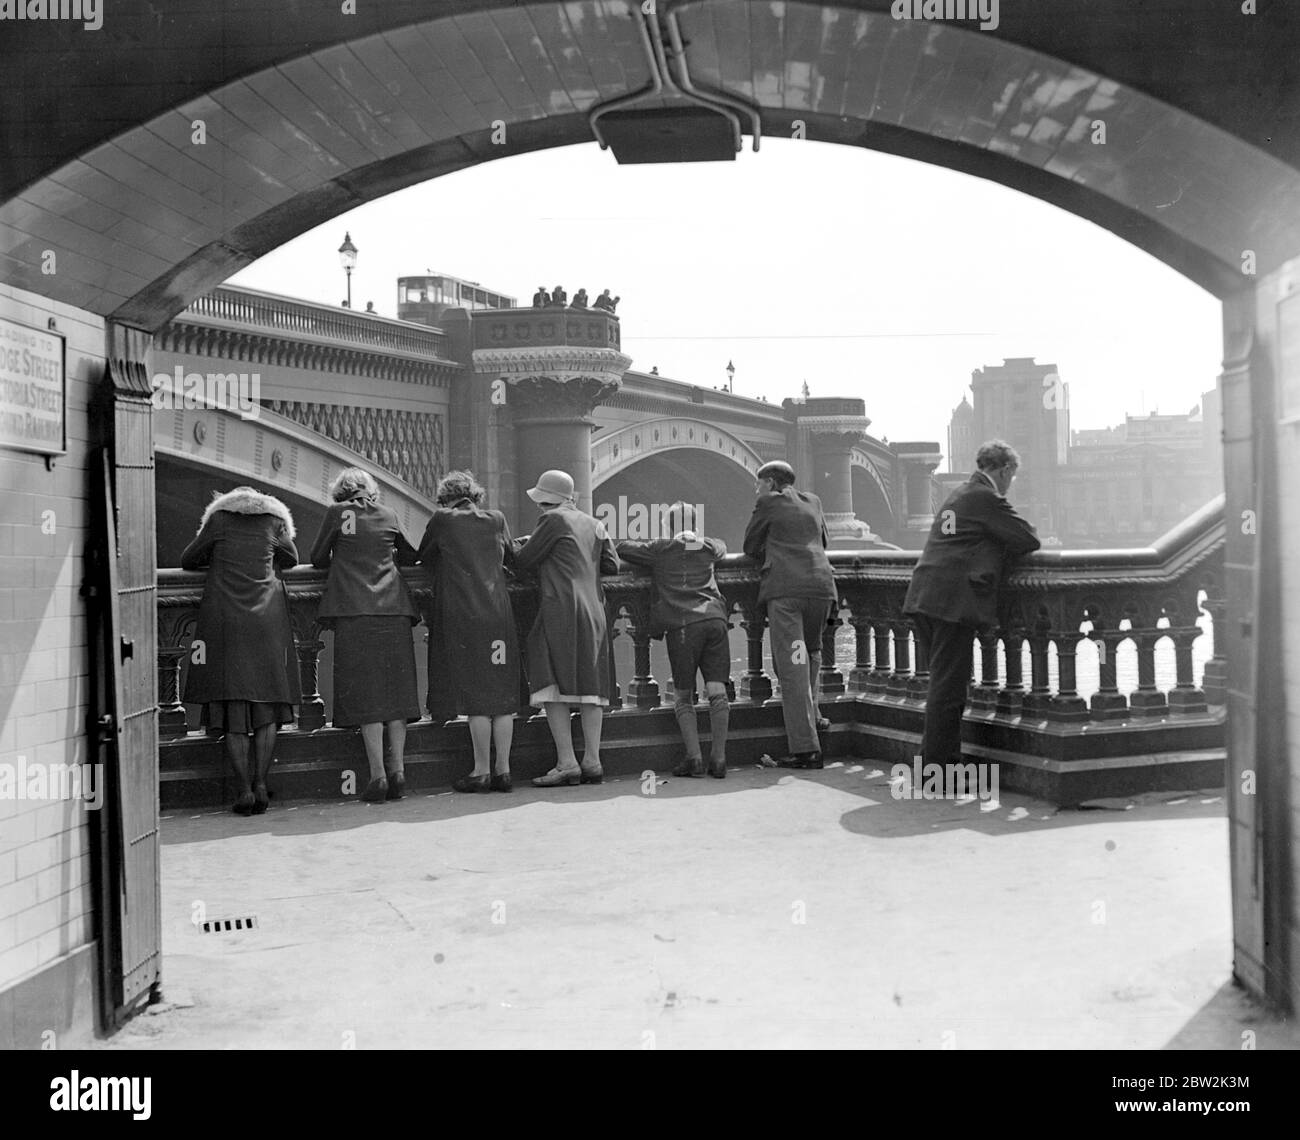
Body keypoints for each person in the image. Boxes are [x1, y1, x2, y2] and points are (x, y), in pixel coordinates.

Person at [903, 440, 1040, 771]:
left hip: (927, 596)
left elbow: (959, 537)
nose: (1010, 485)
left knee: (941, 685)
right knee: (949, 690)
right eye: (1012, 476)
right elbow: (1027, 538)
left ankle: (931, 764)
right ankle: (938, 770)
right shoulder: (985, 497)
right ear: (1005, 470)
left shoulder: (958, 493)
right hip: (951, 602)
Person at [181, 485, 301, 815]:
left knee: (234, 706)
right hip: (265, 617)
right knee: (265, 705)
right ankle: (261, 783)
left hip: (225, 618)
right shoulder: (273, 522)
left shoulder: (219, 520)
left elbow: (189, 558)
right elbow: (291, 559)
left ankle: (243, 789)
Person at [310, 468, 422, 803]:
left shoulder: (338, 513)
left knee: (369, 695)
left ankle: (377, 776)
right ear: (371, 491)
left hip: (355, 612)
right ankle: (399, 769)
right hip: (394, 608)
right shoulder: (388, 513)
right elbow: (411, 554)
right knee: (396, 692)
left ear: (341, 491)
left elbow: (317, 558)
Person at [513, 469, 620, 787]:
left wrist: (522, 544)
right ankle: (592, 761)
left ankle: (566, 762)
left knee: (551, 682)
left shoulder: (552, 521)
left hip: (560, 608)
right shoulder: (597, 524)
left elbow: (524, 560)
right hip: (594, 611)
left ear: (545, 501)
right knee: (591, 687)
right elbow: (612, 565)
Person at [419, 470, 520, 793]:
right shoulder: (496, 519)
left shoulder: (443, 520)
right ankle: (503, 771)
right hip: (498, 614)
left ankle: (481, 771)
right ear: (475, 496)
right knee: (502, 696)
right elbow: (513, 555)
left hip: (463, 615)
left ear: (446, 499)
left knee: (477, 698)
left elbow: (424, 557)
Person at [617, 503, 730, 778]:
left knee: (683, 695)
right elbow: (721, 547)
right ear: (695, 525)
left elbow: (622, 548)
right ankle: (719, 758)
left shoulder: (662, 548)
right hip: (715, 619)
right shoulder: (705, 547)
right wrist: (698, 539)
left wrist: (667, 541)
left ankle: (694, 759)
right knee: (717, 692)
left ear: (668, 527)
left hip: (683, 625)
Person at [742, 460, 836, 770]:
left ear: (770, 483)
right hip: (821, 588)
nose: (757, 489)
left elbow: (750, 545)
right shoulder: (815, 501)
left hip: (787, 593)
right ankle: (815, 717)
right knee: (812, 652)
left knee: (793, 666)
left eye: (759, 484)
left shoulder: (767, 502)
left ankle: (807, 750)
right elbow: (823, 541)